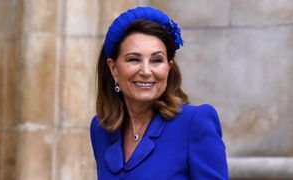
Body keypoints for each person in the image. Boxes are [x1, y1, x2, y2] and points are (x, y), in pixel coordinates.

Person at [90, 6, 228, 179]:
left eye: (156, 60)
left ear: (168, 68)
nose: (146, 71)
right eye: (134, 59)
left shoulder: (195, 123)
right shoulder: (101, 128)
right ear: (113, 68)